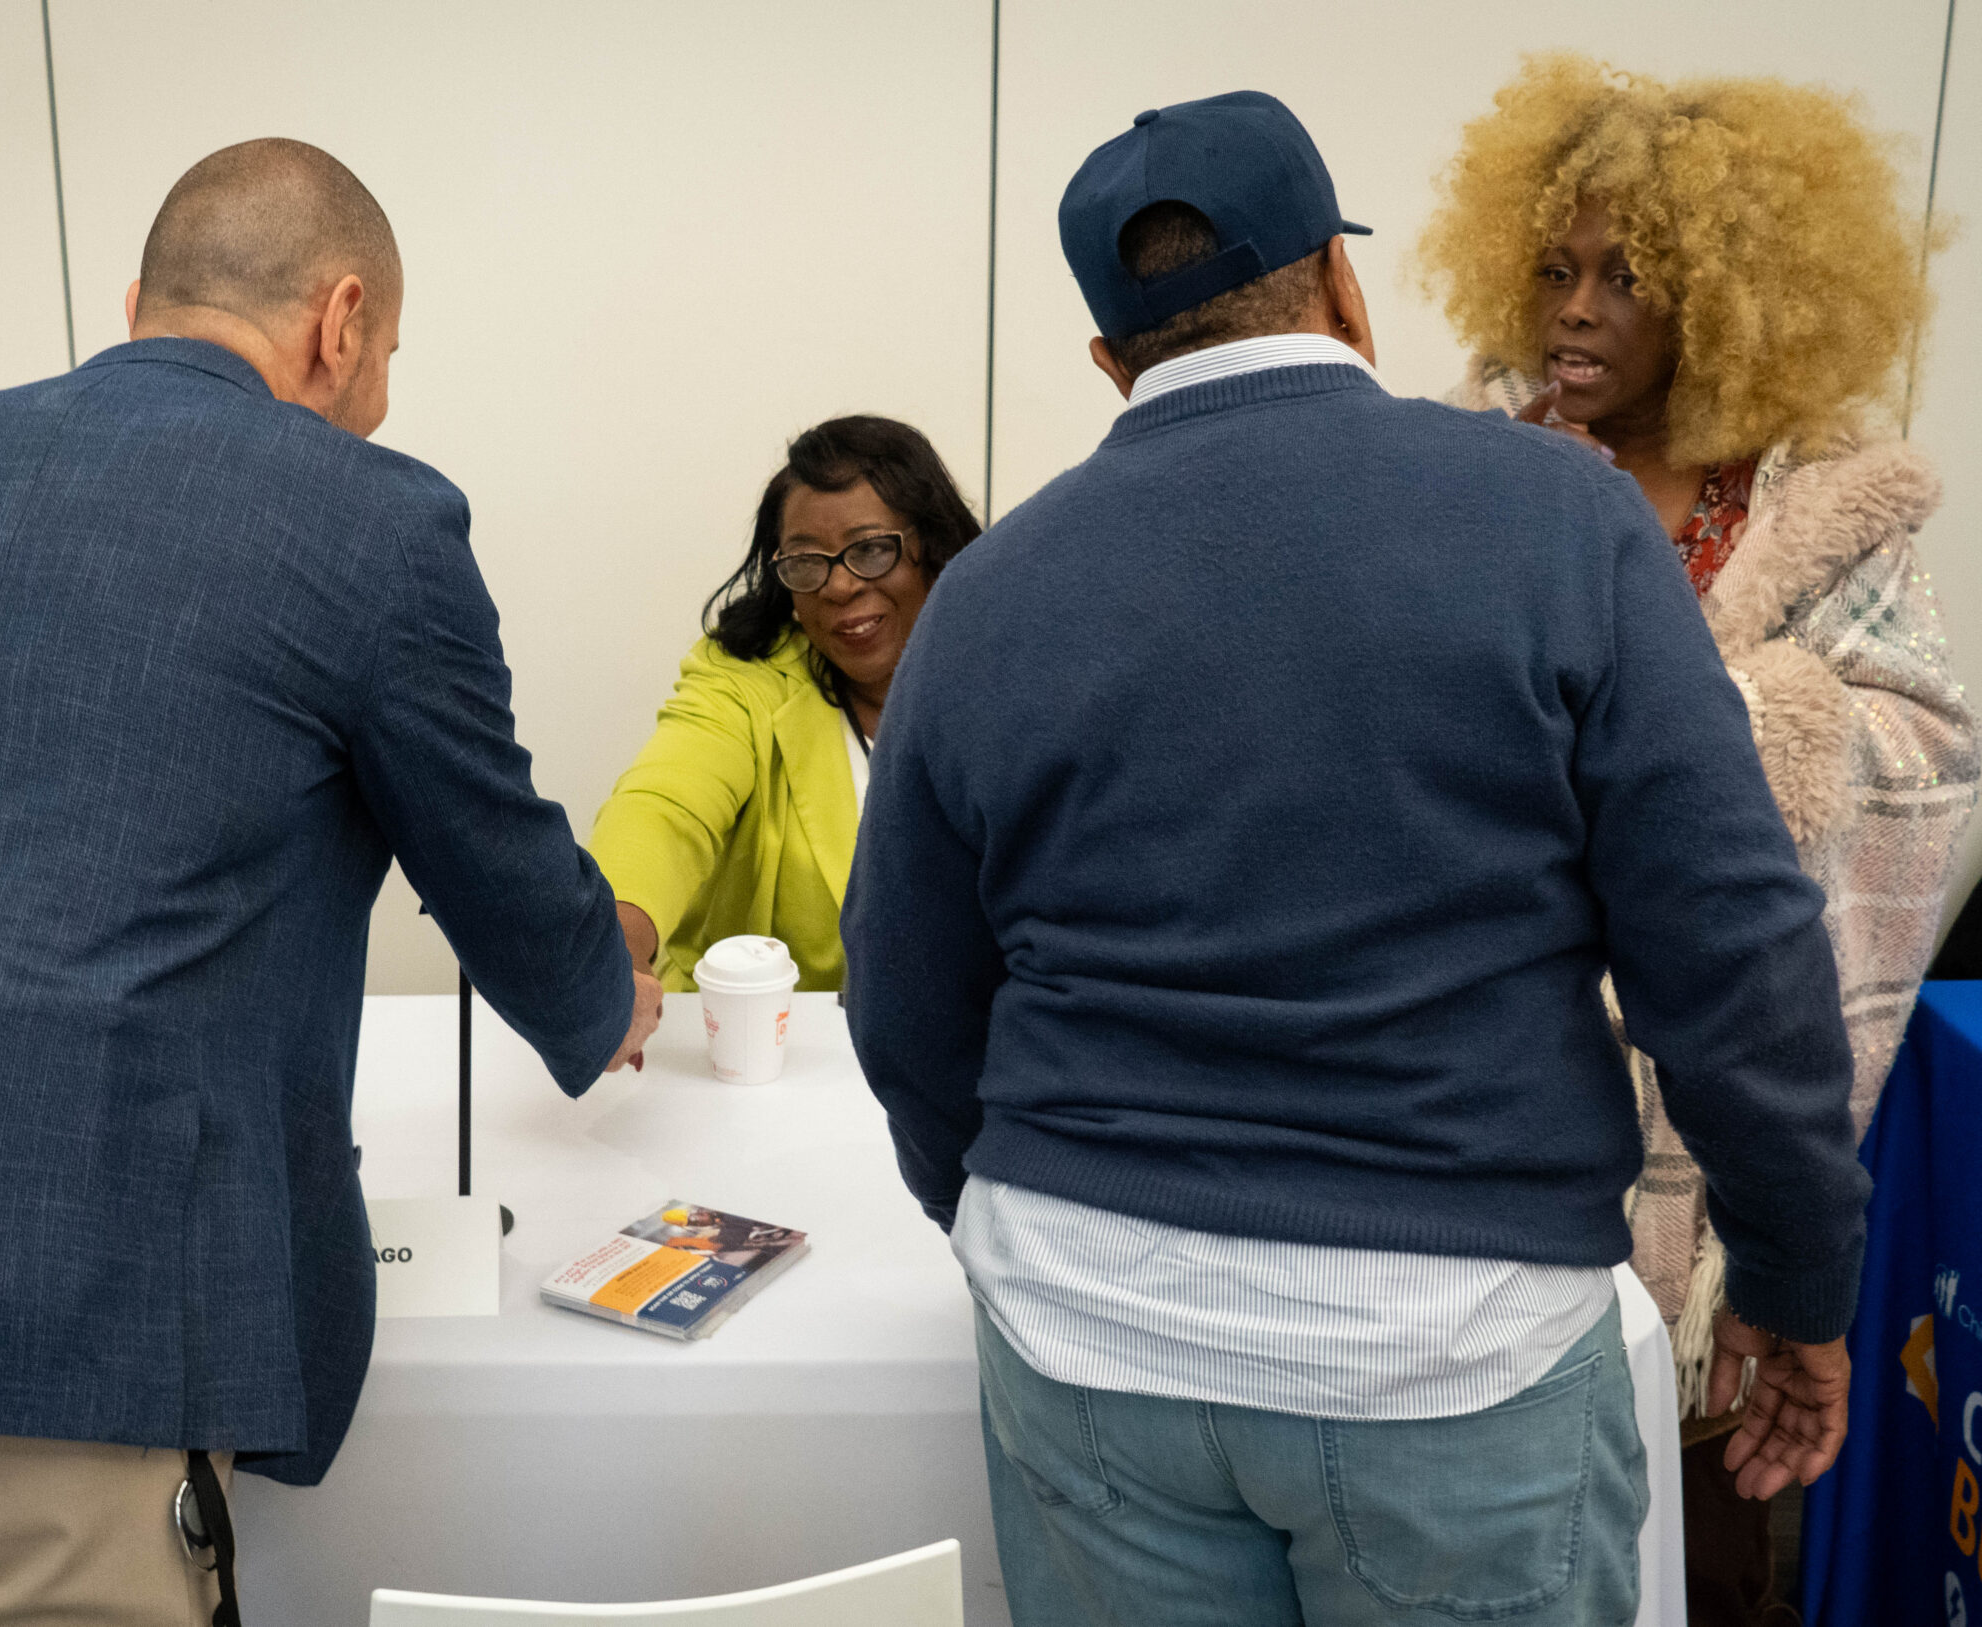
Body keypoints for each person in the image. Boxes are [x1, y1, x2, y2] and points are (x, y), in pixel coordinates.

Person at [843, 91, 1871, 1627]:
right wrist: (1794, 1276)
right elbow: (1730, 950)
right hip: (1452, 1340)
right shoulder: (1564, 521)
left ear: (1113, 360)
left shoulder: (988, 592)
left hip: (1087, 1327)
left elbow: (904, 993)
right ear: (1342, 279)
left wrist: (1013, 1212)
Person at [0, 138, 661, 1627]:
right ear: (342, 320)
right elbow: (499, 867)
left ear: (136, 306)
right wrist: (606, 993)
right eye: (388, 356)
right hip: (50, 1323)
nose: (380, 394)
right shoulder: (369, 519)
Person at [1420, 57, 1977, 1623]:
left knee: (1710, 1546)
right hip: (1499, 1097)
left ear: (1728, 307)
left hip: (1720, 1123)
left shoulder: (1824, 507)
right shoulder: (1468, 470)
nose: (1576, 312)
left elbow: (1925, 752)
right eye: (1555, 270)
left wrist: (1727, 719)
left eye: (1628, 279)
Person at [588, 417, 979, 991]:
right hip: (769, 1037)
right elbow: (664, 806)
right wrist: (610, 949)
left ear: (933, 545)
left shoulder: (1010, 675)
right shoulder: (745, 676)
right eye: (806, 561)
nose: (839, 586)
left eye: (872, 549)